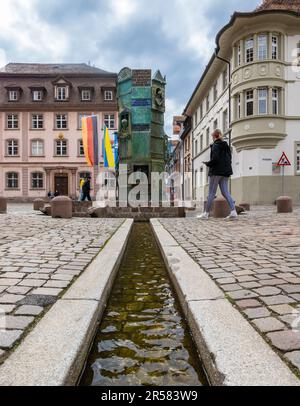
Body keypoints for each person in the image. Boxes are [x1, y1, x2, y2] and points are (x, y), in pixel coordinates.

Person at [198, 129, 237, 220]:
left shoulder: (215, 145)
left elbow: (215, 159)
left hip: (216, 172)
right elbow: (229, 158)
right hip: (226, 172)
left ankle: (206, 213)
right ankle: (233, 211)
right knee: (225, 192)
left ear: (214, 137)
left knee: (211, 193)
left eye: (212, 136)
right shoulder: (226, 146)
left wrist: (208, 163)